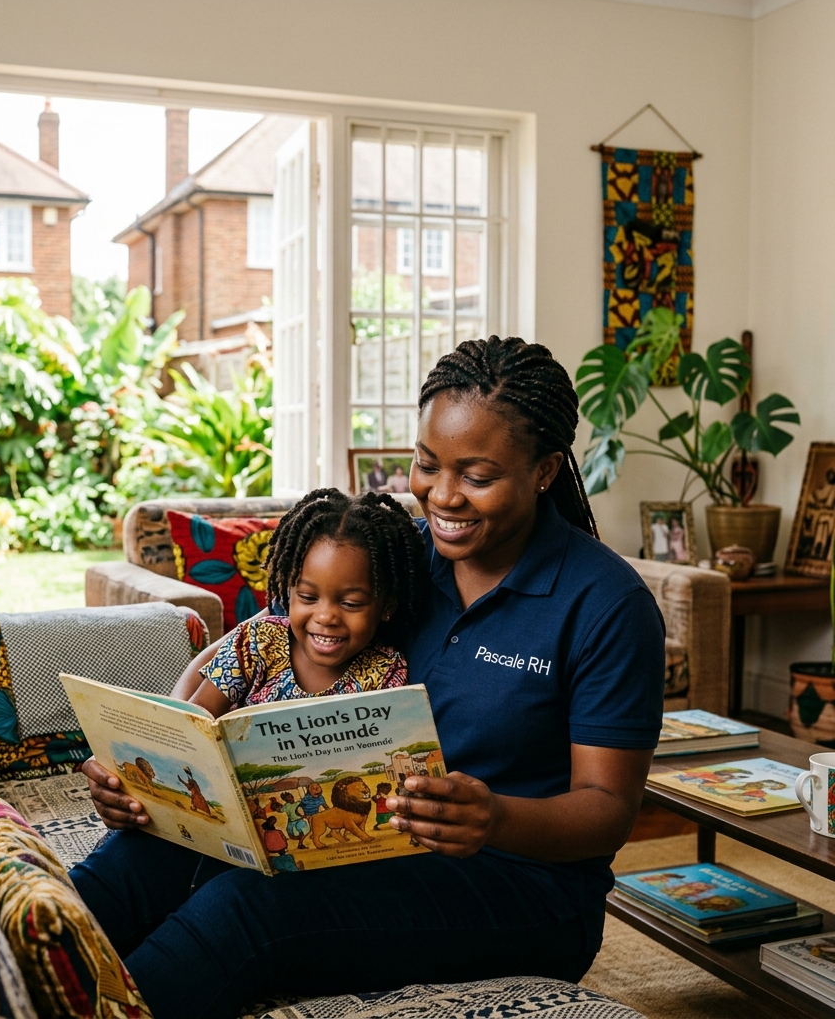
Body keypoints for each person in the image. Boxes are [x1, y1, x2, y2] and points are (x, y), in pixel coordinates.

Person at [71, 335, 665, 1019]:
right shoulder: (399, 558)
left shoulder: (605, 606)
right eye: (426, 464)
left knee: (255, 904)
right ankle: (19, 982)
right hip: (363, 835)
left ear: (545, 470)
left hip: (518, 886)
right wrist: (156, 757)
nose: (443, 496)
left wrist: (492, 817)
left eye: (477, 476)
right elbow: (251, 643)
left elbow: (607, 811)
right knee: (155, 845)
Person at [185, 488, 429, 717]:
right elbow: (196, 718)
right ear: (289, 592)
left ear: (386, 607)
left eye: (350, 603)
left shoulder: (385, 673)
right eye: (308, 598)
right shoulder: (255, 644)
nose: (325, 617)